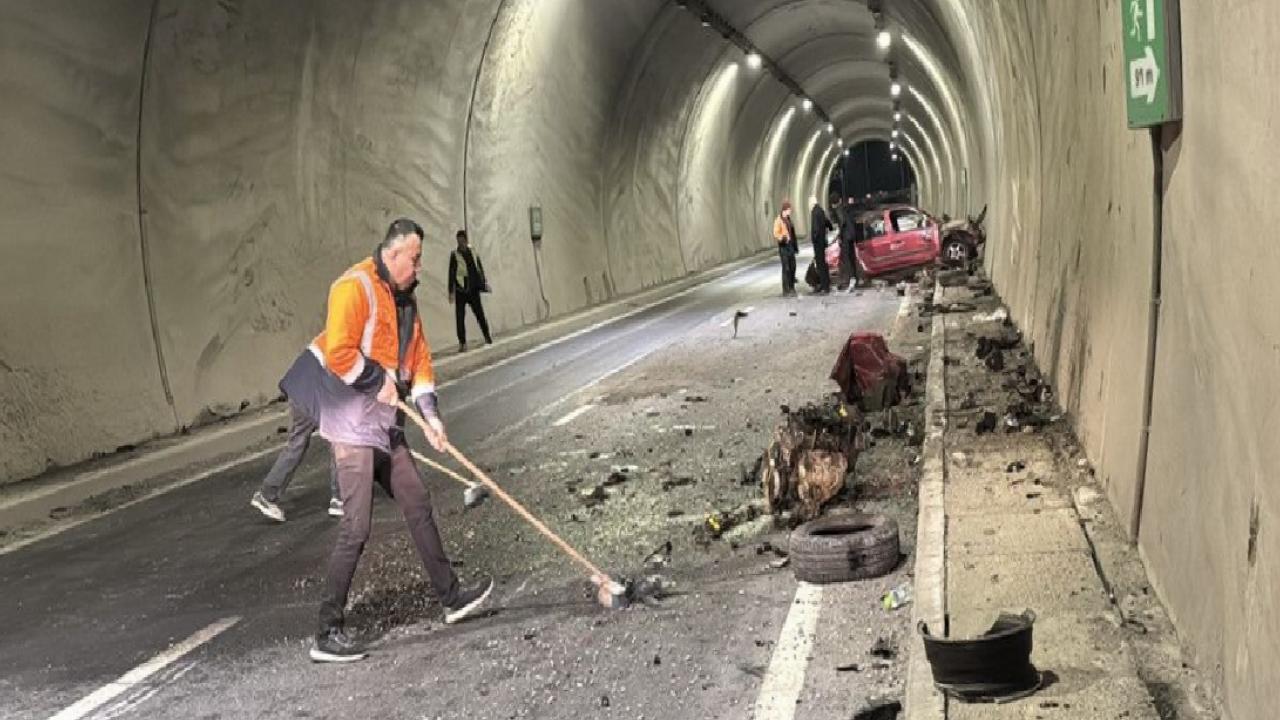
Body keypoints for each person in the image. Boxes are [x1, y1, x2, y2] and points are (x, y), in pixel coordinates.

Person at [285, 218, 492, 663]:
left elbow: (419, 365)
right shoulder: (353, 287)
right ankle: (326, 632)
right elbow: (340, 350)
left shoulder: (407, 303)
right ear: (393, 253)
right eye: (414, 259)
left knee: (416, 499)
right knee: (356, 527)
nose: (419, 268)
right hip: (352, 426)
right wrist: (378, 378)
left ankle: (451, 597)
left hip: (384, 424)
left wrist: (431, 418)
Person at [249, 352, 343, 522]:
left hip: (299, 388)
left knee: (297, 442)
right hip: (315, 390)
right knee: (341, 438)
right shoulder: (356, 335)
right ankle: (340, 498)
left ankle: (267, 494)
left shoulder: (337, 331)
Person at [448, 230, 492, 352]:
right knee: (460, 318)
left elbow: (479, 268)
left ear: (466, 241)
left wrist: (484, 283)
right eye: (458, 241)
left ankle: (487, 337)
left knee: (480, 315)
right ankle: (462, 343)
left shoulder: (473, 251)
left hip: (473, 289)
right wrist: (451, 291)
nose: (460, 243)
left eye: (462, 241)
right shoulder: (454, 255)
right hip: (461, 289)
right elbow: (451, 273)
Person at [772, 201, 798, 297]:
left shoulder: (788, 220)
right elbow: (776, 233)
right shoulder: (778, 220)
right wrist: (783, 238)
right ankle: (786, 290)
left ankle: (792, 287)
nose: (790, 212)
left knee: (793, 266)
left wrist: (795, 246)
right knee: (786, 268)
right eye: (789, 210)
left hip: (790, 246)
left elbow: (792, 233)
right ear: (784, 210)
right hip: (783, 247)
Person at [809, 196, 833, 295]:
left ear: (811, 203)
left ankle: (824, 287)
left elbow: (815, 228)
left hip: (818, 243)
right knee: (824, 263)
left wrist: (814, 239)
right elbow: (827, 222)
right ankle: (826, 284)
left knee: (820, 265)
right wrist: (830, 228)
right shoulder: (821, 210)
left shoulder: (814, 212)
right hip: (823, 241)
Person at [839, 196, 860, 289]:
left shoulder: (843, 211)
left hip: (847, 239)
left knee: (847, 260)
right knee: (852, 259)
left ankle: (849, 279)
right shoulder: (853, 212)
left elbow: (843, 224)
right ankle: (855, 278)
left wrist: (840, 236)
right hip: (851, 238)